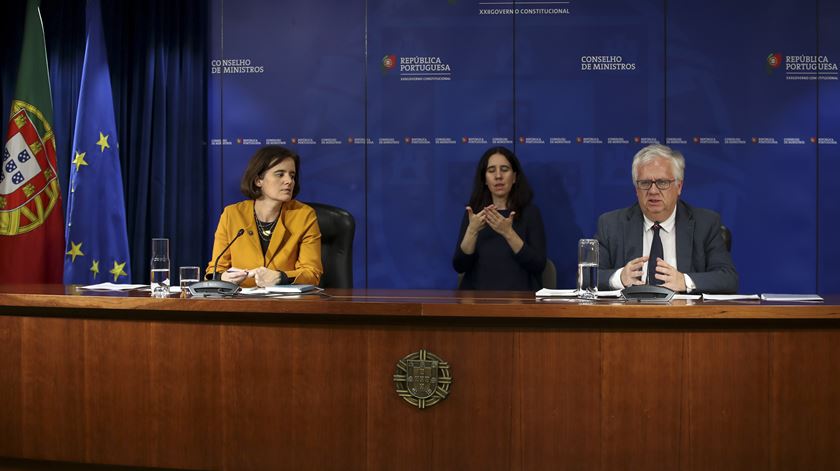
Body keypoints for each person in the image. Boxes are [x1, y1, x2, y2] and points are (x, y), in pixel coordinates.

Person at [596, 144, 738, 293]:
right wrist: (620, 278)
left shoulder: (706, 224)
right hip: (630, 313)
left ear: (679, 187)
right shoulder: (611, 224)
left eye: (662, 182)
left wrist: (683, 281)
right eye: (645, 183)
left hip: (685, 314)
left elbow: (727, 278)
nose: (653, 191)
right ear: (636, 189)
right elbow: (586, 277)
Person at [205, 146, 323, 287]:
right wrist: (223, 277)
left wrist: (281, 277)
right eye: (280, 174)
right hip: (241, 302)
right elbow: (214, 270)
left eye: (292, 175)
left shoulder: (304, 215)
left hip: (285, 304)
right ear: (258, 180)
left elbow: (312, 273)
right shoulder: (232, 215)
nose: (289, 181)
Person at [453, 147, 546, 290]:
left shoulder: (530, 213)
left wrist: (508, 233)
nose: (498, 176)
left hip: (520, 303)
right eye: (491, 170)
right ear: (484, 179)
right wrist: (472, 230)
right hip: (477, 303)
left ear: (514, 177)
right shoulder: (475, 215)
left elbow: (538, 265)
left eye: (504, 169)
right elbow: (460, 266)